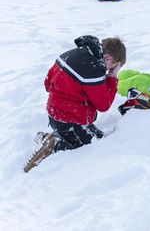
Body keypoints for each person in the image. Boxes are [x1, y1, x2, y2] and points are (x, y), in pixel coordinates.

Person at [24, 36, 127, 172]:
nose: (109, 71)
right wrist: (112, 77)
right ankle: (55, 145)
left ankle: (48, 137)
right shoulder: (94, 68)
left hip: (55, 114)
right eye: (112, 67)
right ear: (108, 59)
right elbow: (103, 105)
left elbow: (47, 84)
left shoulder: (73, 53)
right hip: (69, 120)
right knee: (95, 146)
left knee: (100, 136)